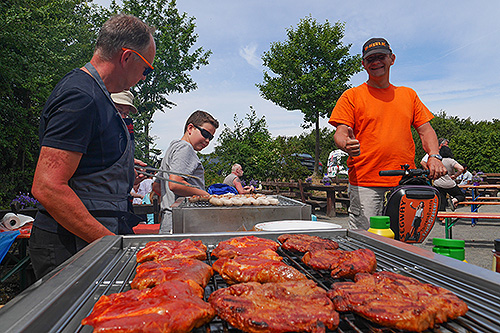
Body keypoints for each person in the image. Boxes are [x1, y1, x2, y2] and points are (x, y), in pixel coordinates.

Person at [30, 14, 156, 279]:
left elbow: (84, 165)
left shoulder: (98, 97)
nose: (144, 78)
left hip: (90, 242)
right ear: (127, 57)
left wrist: (118, 169)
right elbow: (47, 186)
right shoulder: (82, 96)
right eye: (147, 69)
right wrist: (112, 244)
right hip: (71, 247)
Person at [329, 37, 447, 230]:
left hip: (405, 179)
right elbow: (341, 132)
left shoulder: (408, 95)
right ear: (363, 64)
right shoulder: (351, 96)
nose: (375, 62)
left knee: (405, 241)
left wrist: (434, 156)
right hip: (366, 181)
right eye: (370, 59)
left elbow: (426, 131)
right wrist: (345, 143)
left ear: (392, 58)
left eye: (381, 56)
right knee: (366, 241)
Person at [153, 110, 219, 233]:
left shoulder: (172, 148)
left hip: (168, 219)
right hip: (182, 220)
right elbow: (176, 183)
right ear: (190, 128)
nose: (207, 140)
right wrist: (206, 196)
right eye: (205, 134)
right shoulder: (185, 148)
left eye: (211, 137)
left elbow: (157, 186)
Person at [433, 146, 465, 211]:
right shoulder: (450, 161)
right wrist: (455, 176)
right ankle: (453, 200)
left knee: (442, 202)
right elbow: (461, 168)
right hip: (448, 183)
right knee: (461, 196)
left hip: (437, 183)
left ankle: (443, 219)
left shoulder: (437, 161)